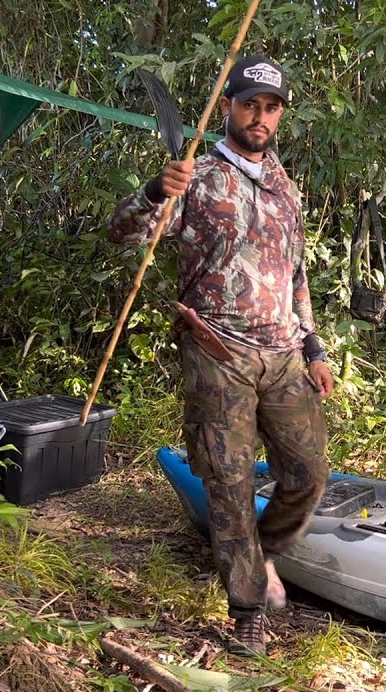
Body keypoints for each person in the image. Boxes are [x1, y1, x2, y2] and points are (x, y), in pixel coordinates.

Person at [107, 56, 333, 656]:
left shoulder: (285, 185)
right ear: (229, 107)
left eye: (270, 107)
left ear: (280, 115)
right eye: (248, 104)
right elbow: (123, 231)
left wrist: (313, 345)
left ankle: (259, 556)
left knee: (308, 475)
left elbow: (296, 274)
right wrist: (157, 190)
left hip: (284, 355)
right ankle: (248, 608)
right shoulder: (197, 176)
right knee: (229, 482)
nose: (259, 117)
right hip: (217, 352)